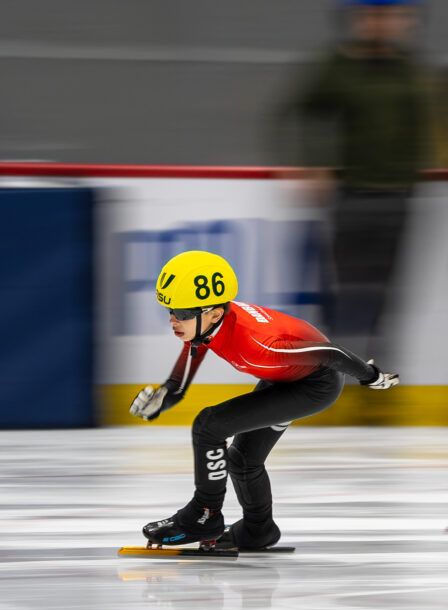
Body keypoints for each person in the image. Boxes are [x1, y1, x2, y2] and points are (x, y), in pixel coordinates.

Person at [130, 250, 399, 550]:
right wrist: (164, 397)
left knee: (209, 425)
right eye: (169, 311)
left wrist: (371, 376)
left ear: (214, 313)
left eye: (180, 314)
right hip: (285, 379)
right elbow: (183, 375)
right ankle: (260, 530)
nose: (172, 320)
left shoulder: (258, 344)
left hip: (314, 385)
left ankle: (203, 515)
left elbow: (330, 354)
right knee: (243, 460)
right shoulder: (206, 326)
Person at [279, 0, 429, 359]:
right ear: (356, 20)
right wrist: (312, 164)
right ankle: (337, 374)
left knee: (385, 292)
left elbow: (431, 124)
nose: (381, 24)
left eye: (391, 16)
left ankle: (378, 374)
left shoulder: (410, 69)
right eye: (372, 16)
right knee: (347, 289)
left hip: (398, 194)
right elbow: (300, 113)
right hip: (351, 193)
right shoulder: (337, 66)